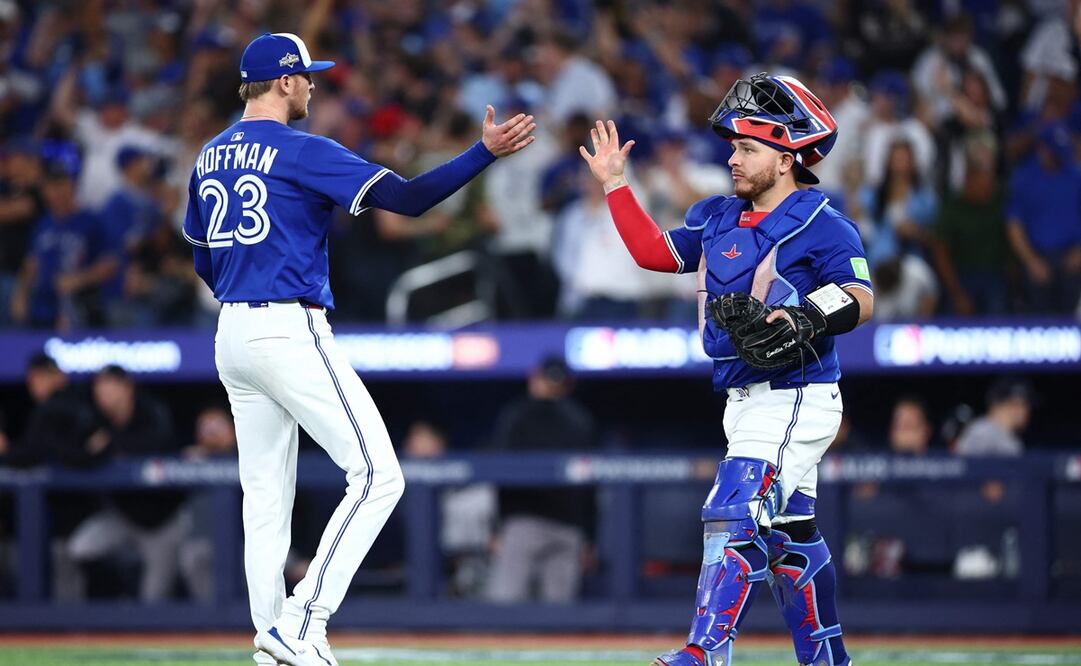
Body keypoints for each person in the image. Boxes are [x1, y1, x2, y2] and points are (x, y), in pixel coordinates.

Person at [182, 33, 535, 666]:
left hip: (231, 330)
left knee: (264, 495)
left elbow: (204, 258)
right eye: (307, 76)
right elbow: (406, 198)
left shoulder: (209, 154)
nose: (313, 86)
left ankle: (270, 641)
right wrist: (481, 154)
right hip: (286, 324)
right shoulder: (299, 149)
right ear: (285, 82)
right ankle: (302, 621)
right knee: (379, 475)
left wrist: (245, 291)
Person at [580, 73, 873, 666]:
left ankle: (705, 651)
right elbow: (654, 254)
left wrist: (806, 316)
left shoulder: (824, 222)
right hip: (743, 398)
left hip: (798, 392)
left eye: (748, 148)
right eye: (734, 147)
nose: (733, 159)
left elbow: (862, 296)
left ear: (788, 157)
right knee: (791, 536)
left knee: (735, 506)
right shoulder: (718, 217)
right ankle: (829, 660)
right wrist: (616, 184)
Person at [485, 357, 597, 603]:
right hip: (568, 526)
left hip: (525, 523)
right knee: (558, 621)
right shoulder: (580, 419)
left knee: (505, 612)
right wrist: (589, 536)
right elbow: (591, 488)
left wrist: (496, 527)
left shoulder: (517, 415)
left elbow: (498, 474)